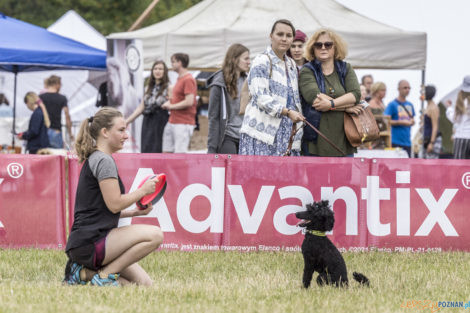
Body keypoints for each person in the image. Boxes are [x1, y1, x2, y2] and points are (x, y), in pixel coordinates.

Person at [64, 107, 163, 287]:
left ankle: (82, 273)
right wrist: (143, 191)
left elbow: (100, 209)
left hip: (88, 242)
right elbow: (114, 205)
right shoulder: (103, 161)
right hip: (90, 242)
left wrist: (134, 213)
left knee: (144, 285)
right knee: (155, 235)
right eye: (121, 130)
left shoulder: (97, 158)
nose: (126, 135)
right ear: (105, 132)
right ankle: (104, 276)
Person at [239, 19, 304, 156]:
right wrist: (287, 112)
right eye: (280, 34)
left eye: (288, 35)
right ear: (271, 36)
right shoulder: (261, 60)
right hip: (261, 135)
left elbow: (294, 99)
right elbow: (261, 97)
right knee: (259, 177)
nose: (284, 39)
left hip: (286, 136)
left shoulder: (292, 64)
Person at [299, 28, 363, 157]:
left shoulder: (346, 68)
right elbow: (315, 99)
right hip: (316, 142)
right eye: (318, 45)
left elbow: (355, 94)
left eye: (328, 44)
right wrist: (346, 107)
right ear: (313, 48)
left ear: (335, 47)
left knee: (344, 178)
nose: (323, 47)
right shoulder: (307, 70)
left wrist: (332, 104)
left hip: (345, 141)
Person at [207, 44, 250, 154]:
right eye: (246, 58)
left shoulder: (249, 80)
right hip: (227, 137)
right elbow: (213, 117)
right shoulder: (219, 82)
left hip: (246, 136)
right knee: (230, 170)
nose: (249, 62)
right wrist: (211, 148)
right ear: (235, 60)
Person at [126, 60, 171, 153]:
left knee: (158, 149)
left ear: (165, 71)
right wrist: (127, 121)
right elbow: (140, 108)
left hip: (161, 121)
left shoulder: (169, 87)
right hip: (147, 121)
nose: (157, 71)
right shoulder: (148, 88)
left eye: (160, 69)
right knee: (146, 148)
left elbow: (172, 103)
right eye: (155, 69)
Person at [161, 53, 197, 153]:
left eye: (173, 62)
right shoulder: (180, 79)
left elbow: (189, 101)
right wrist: (170, 101)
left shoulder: (188, 79)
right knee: (166, 153)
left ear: (180, 62)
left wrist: (171, 106)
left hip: (183, 122)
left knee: (179, 156)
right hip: (173, 121)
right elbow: (180, 98)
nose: (171, 64)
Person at [40, 75, 73, 149]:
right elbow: (67, 116)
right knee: (56, 158)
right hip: (56, 132)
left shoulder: (41, 97)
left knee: (43, 158)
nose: (61, 86)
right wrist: (70, 133)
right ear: (56, 84)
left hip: (43, 132)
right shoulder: (62, 98)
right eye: (60, 84)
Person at [384, 80, 415, 157]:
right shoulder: (392, 104)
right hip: (395, 141)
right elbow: (385, 120)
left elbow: (412, 119)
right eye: (405, 88)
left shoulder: (410, 104)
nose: (407, 90)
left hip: (407, 142)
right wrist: (400, 122)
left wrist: (412, 122)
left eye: (409, 88)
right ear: (399, 89)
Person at [445, 75, 470, 159]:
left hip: (461, 137)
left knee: (459, 168)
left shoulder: (461, 102)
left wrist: (449, 108)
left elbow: (455, 119)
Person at [422, 85, 441, 159]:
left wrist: (431, 143)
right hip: (427, 138)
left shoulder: (433, 108)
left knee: (431, 162)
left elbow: (435, 126)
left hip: (432, 140)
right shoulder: (428, 106)